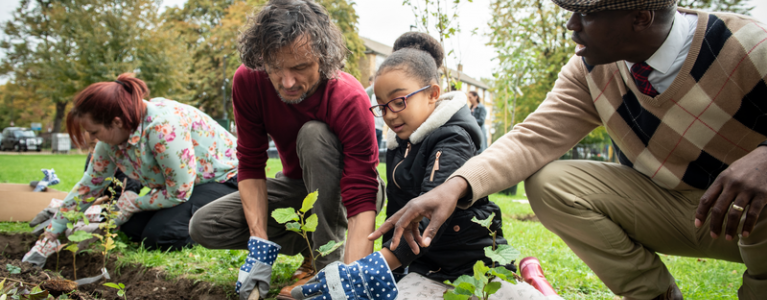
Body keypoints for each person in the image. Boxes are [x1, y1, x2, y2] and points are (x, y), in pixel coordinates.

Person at [370, 1, 767, 299]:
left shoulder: (749, 47)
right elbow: (533, 138)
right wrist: (455, 185)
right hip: (683, 211)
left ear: (640, 17)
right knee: (550, 181)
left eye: (586, 14)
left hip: (754, 222)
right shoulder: (592, 70)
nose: (571, 24)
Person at [289, 32, 560, 300]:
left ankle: (530, 281)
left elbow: (428, 217)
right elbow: (398, 216)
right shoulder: (399, 143)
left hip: (477, 268)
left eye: (398, 101)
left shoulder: (453, 139)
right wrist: (387, 278)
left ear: (433, 94)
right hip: (427, 269)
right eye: (382, 107)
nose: (390, 114)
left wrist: (366, 272)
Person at [186, 1, 383, 299]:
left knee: (313, 133)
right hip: (298, 188)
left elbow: (361, 191)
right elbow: (251, 163)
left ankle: (324, 263)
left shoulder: (348, 97)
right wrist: (259, 248)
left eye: (301, 68)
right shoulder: (248, 81)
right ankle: (310, 244)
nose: (287, 81)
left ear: (324, 57)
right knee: (206, 225)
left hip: (348, 191)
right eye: (276, 68)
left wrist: (349, 278)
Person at [22, 73, 240, 267]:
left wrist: (134, 202)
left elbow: (179, 192)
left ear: (116, 122)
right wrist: (51, 235)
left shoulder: (163, 127)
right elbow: (90, 185)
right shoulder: (112, 140)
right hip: (190, 188)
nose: (94, 139)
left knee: (164, 236)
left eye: (95, 132)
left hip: (225, 180)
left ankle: (233, 221)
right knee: (131, 229)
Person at [366, 76, 385, 149]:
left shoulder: (381, 95)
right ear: (371, 83)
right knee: (371, 150)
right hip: (373, 127)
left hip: (380, 128)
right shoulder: (370, 95)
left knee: (377, 153)